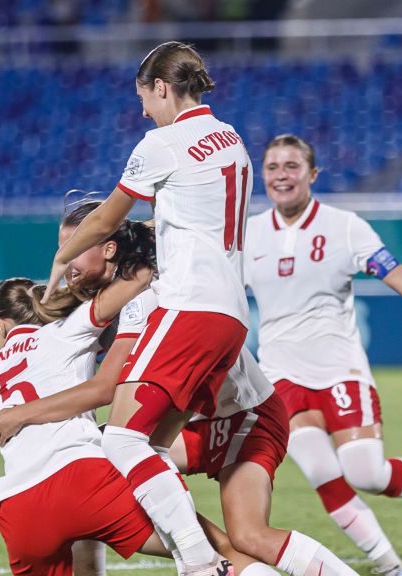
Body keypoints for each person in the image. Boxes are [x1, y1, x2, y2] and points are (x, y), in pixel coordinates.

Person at [41, 41, 310, 576]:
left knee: (119, 438)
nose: (143, 109)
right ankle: (236, 567)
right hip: (231, 313)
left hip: (190, 306)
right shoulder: (230, 138)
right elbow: (187, 218)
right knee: (151, 449)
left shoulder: (161, 143)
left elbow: (103, 222)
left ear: (161, 87)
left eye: (143, 96)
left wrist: (58, 261)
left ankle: (197, 562)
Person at [0, 201, 358, 576]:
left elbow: (104, 388)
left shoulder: (146, 295)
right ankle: (203, 557)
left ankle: (201, 559)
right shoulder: (105, 303)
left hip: (245, 416)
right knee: (91, 466)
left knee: (249, 536)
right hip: (195, 423)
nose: (65, 263)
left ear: (109, 248)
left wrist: (17, 415)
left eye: (75, 248)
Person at [0, 275, 281, 576]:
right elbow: (132, 284)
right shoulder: (67, 331)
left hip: (19, 510)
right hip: (86, 478)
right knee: (213, 550)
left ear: (0, 324)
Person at [243, 134, 402, 576]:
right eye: (273, 167)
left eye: (292, 166)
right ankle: (390, 567)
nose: (281, 175)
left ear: (312, 174)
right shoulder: (249, 234)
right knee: (322, 475)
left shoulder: (344, 227)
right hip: (281, 376)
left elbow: (397, 274)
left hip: (339, 369)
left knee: (366, 474)